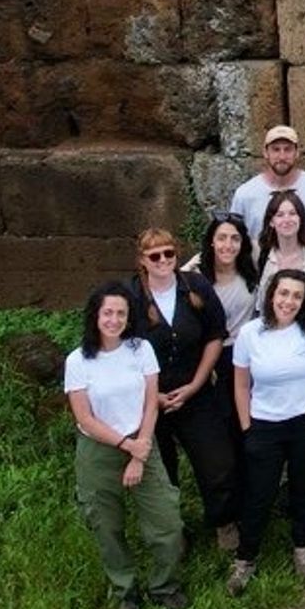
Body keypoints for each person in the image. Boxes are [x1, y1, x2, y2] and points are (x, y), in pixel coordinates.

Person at [64, 283, 185, 609]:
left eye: (121, 313)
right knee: (106, 524)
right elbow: (84, 417)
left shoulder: (140, 349)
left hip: (143, 440)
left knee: (166, 521)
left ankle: (165, 586)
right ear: (95, 316)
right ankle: (126, 591)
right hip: (99, 450)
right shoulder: (78, 360)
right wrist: (126, 446)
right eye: (108, 313)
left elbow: (151, 401)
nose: (114, 320)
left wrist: (140, 449)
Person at [128, 227, 239, 554]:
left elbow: (215, 335)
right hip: (150, 397)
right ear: (142, 260)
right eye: (155, 256)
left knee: (217, 461)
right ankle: (171, 530)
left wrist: (195, 384)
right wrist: (153, 395)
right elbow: (121, 352)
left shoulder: (196, 286)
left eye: (168, 254)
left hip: (194, 389)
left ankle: (224, 521)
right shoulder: (131, 296)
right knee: (161, 469)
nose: (163, 260)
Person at [229, 269, 305, 594]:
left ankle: (302, 547)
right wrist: (247, 426)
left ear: (304, 301)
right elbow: (240, 383)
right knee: (259, 494)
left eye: (296, 295)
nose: (288, 301)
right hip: (265, 424)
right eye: (283, 294)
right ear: (271, 295)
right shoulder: (251, 334)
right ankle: (245, 558)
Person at [230, 125, 305, 246]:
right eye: (276, 149)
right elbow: (234, 234)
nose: (282, 157)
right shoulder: (245, 194)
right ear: (265, 152)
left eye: (288, 149)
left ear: (297, 153)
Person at [192, 210, 261, 375]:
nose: (228, 245)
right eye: (221, 238)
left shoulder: (253, 262)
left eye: (235, 239)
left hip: (246, 352)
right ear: (212, 241)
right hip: (209, 355)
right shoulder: (196, 273)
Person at [254, 191, 305, 297]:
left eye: (292, 213)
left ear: (301, 218)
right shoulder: (260, 254)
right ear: (271, 222)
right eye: (280, 215)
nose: (287, 220)